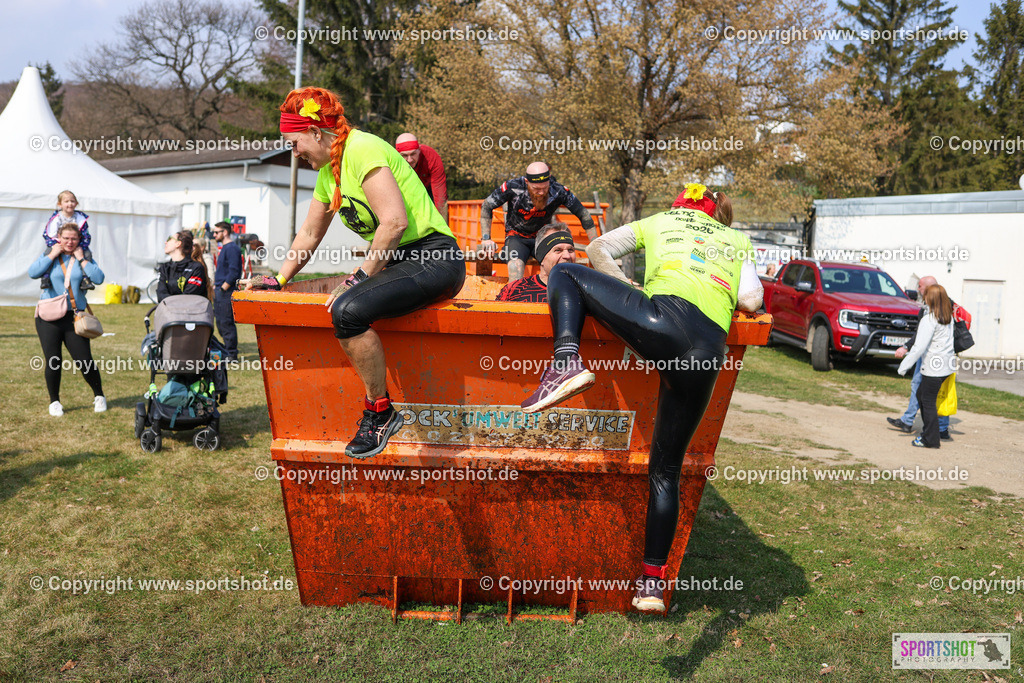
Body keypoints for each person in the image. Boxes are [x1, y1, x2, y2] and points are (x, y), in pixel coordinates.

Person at [520, 183, 763, 613]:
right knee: (665, 470)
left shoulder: (660, 220)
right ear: (718, 215)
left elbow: (596, 249)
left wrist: (623, 288)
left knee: (566, 273)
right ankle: (652, 583)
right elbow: (750, 299)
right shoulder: (737, 239)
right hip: (708, 353)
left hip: (663, 322)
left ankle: (565, 362)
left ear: (681, 206)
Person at [247, 87, 465, 459]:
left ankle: (380, 412)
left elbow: (394, 223)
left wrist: (360, 275)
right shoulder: (329, 172)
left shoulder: (362, 148)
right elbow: (311, 233)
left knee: (347, 309)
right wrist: (279, 278)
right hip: (401, 261)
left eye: (294, 142)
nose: (293, 152)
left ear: (316, 132)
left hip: (434, 257)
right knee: (349, 303)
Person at [28, 223, 107, 416]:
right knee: (53, 360)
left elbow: (98, 278)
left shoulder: (83, 256)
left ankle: (99, 396)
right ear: (58, 238)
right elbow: (33, 272)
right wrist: (52, 254)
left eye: (74, 239)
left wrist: (81, 258)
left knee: (84, 360)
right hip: (48, 318)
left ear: (79, 240)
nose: (70, 242)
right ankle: (54, 401)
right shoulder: (50, 254)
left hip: (74, 318)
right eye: (66, 238)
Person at [479, 162, 596, 282]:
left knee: (558, 265)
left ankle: (555, 296)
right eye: (536, 189)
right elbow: (487, 206)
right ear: (526, 182)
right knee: (516, 268)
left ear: (549, 181)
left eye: (545, 188)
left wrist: (594, 243)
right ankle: (513, 298)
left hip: (542, 237)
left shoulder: (558, 190)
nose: (541, 192)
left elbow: (583, 214)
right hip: (516, 237)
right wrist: (486, 238)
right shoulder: (513, 187)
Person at [887, 275, 955, 439]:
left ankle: (934, 432)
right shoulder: (944, 308)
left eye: (920, 286)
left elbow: (920, 342)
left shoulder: (935, 312)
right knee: (929, 394)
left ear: (930, 289)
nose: (918, 289)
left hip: (932, 361)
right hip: (944, 360)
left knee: (928, 397)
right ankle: (918, 424)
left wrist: (903, 365)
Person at [495, 222, 576, 303]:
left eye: (570, 250)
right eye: (558, 250)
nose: (567, 256)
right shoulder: (513, 291)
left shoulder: (584, 289)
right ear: (541, 256)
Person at [41, 190, 95, 292]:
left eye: (72, 201)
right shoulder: (56, 218)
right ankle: (46, 277)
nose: (70, 204)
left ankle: (85, 278)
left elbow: (85, 234)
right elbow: (48, 234)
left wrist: (80, 246)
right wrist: (57, 245)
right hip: (59, 244)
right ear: (60, 204)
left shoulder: (80, 218)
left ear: (76, 203)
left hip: (76, 245)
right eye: (66, 201)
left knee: (87, 254)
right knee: (48, 253)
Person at [395, 133, 448, 221]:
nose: (410, 160)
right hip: (405, 189)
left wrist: (442, 226)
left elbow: (440, 195)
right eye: (404, 155)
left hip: (428, 188)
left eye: (413, 154)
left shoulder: (431, 157)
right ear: (397, 154)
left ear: (419, 150)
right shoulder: (392, 162)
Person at [212, 221, 242, 360]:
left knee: (226, 322)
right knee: (220, 322)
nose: (214, 234)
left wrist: (224, 287)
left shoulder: (232, 248)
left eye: (217, 232)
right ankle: (227, 350)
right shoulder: (225, 247)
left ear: (225, 232)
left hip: (226, 291)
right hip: (219, 290)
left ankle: (231, 353)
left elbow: (234, 271)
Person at [157, 231, 210, 302]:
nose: (165, 242)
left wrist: (169, 302)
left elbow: (188, 297)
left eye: (169, 239)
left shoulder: (196, 268)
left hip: (192, 312)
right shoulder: (165, 268)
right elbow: (161, 294)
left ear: (178, 243)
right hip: (169, 311)